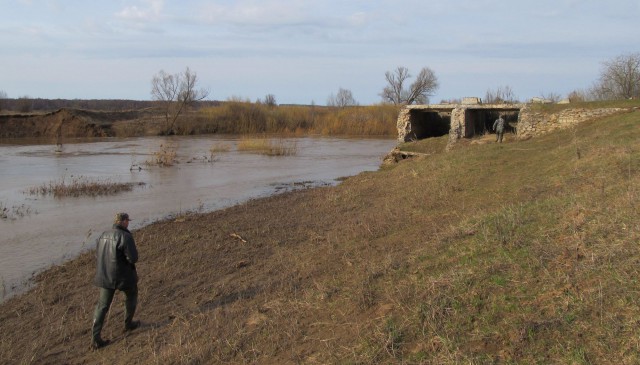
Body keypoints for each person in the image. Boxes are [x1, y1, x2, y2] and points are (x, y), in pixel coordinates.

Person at [91, 212, 140, 350]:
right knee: (131, 296)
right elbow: (133, 258)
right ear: (123, 221)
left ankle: (95, 338)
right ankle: (128, 324)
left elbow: (98, 254)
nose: (128, 223)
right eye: (127, 220)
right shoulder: (125, 236)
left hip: (105, 276)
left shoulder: (103, 235)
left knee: (102, 306)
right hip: (123, 276)